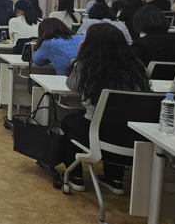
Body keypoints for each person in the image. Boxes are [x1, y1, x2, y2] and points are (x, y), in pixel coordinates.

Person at [62, 23, 151, 194]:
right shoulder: (138, 66)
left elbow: (72, 85)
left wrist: (79, 57)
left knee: (69, 122)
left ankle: (75, 176)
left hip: (98, 134)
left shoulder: (85, 65)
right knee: (116, 122)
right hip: (133, 135)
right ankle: (115, 179)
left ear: (90, 43)